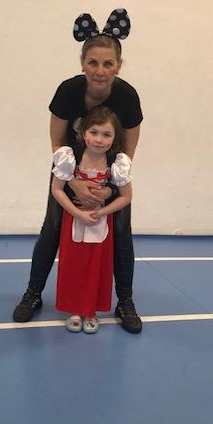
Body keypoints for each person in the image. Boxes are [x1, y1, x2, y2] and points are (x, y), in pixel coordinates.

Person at [13, 8, 143, 333]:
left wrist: (109, 187)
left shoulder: (127, 97)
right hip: (69, 171)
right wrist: (73, 183)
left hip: (108, 177)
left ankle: (125, 301)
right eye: (93, 62)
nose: (100, 71)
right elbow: (57, 143)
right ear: (82, 63)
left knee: (121, 232)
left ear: (119, 66)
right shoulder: (68, 91)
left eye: (108, 64)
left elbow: (128, 151)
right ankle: (33, 293)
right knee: (52, 227)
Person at [51, 107, 132, 333]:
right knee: (73, 264)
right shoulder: (70, 158)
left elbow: (126, 197)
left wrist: (100, 213)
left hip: (100, 222)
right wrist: (78, 213)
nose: (99, 139)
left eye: (106, 134)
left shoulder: (116, 163)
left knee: (98, 266)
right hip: (73, 219)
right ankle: (74, 309)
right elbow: (56, 189)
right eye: (94, 132)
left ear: (114, 138)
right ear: (83, 132)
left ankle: (91, 311)